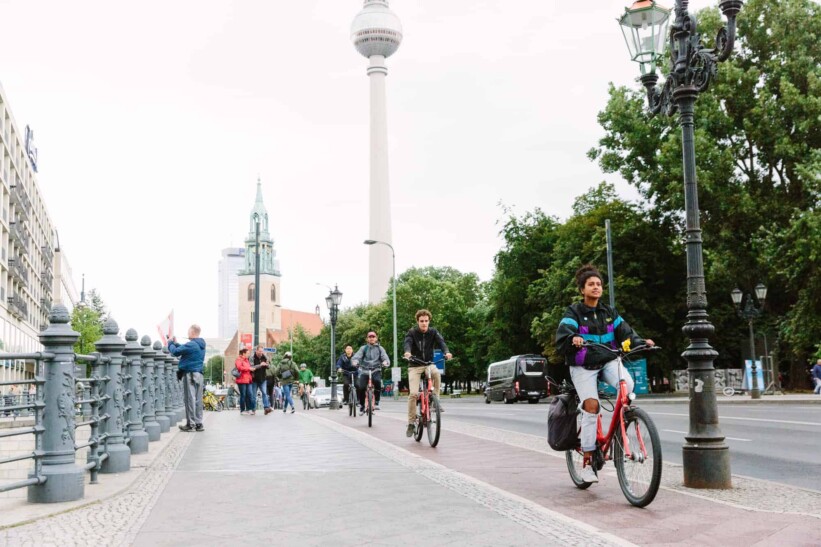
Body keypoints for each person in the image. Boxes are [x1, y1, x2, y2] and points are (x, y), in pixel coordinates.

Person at [555, 264, 654, 484]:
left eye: (599, 284)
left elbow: (626, 334)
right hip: (583, 365)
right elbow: (564, 333)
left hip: (609, 360)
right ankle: (589, 462)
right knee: (592, 407)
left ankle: (623, 421)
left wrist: (640, 342)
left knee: (627, 386)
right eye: (591, 284)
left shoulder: (609, 312)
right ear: (582, 289)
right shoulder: (574, 312)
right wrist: (573, 338)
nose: (596, 287)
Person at [403, 310, 452, 437]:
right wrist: (408, 352)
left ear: (429, 321)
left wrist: (446, 352)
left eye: (426, 321)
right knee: (413, 394)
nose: (424, 323)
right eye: (421, 321)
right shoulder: (412, 332)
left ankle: (436, 400)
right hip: (415, 365)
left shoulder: (433, 332)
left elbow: (441, 342)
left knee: (436, 373)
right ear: (418, 321)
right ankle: (411, 423)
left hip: (428, 364)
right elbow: (407, 343)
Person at [168, 324, 207, 432]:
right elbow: (185, 349)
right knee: (198, 400)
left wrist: (170, 343)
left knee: (190, 399)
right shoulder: (200, 345)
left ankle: (191, 424)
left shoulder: (192, 345)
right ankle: (199, 423)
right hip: (199, 374)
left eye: (188, 332)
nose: (187, 333)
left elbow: (175, 352)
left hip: (190, 374)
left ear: (192, 333)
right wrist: (176, 343)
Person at [353, 331, 390, 414]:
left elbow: (385, 357)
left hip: (376, 369)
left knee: (377, 382)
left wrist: (385, 362)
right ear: (367, 339)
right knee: (361, 387)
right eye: (370, 337)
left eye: (373, 337)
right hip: (364, 370)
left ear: (376, 338)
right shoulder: (363, 348)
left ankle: (376, 402)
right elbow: (357, 356)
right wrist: (355, 361)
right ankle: (362, 406)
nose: (372, 338)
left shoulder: (380, 348)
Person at [252, 346, 273, 415]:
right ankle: (253, 409)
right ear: (256, 351)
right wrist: (260, 365)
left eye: (262, 351)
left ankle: (266, 408)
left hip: (263, 379)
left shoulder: (265, 357)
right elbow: (251, 367)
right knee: (254, 395)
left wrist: (267, 365)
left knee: (264, 393)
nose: (261, 353)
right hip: (254, 379)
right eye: (260, 351)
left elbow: (269, 366)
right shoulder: (252, 358)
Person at [234, 348, 254, 414]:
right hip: (242, 380)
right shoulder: (239, 359)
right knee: (243, 395)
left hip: (248, 380)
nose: (249, 354)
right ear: (244, 353)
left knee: (250, 394)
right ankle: (242, 410)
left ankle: (249, 409)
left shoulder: (246, 360)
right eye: (248, 353)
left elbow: (248, 370)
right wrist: (249, 368)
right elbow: (239, 367)